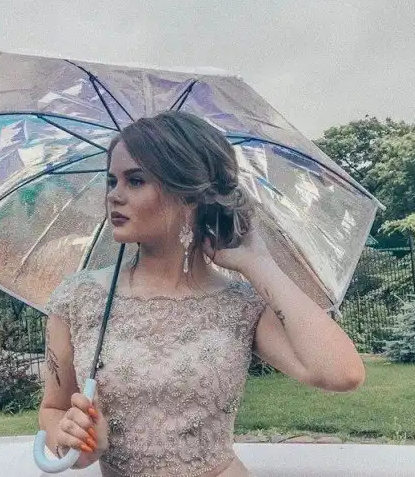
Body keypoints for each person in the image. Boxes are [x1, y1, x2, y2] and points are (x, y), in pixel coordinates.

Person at [38, 112, 366, 477]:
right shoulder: (79, 299)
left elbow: (342, 373)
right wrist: (75, 442)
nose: (114, 195)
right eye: (111, 180)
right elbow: (52, 409)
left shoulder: (239, 305)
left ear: (189, 195)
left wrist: (259, 264)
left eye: (136, 180)